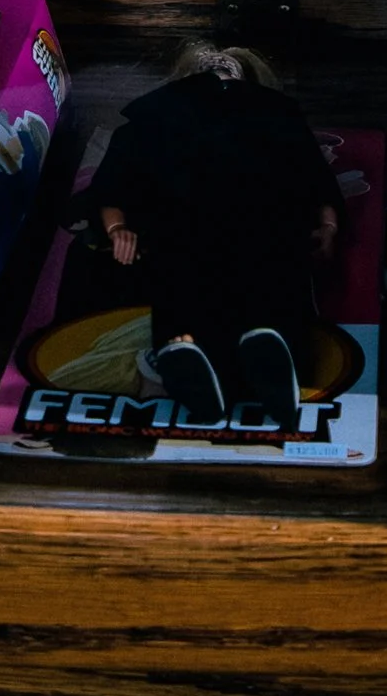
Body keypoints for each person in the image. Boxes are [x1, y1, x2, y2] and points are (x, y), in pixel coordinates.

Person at [90, 41, 343, 419]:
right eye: (209, 80)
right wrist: (118, 227)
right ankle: (196, 363)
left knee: (263, 299)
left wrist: (327, 225)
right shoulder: (161, 119)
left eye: (227, 79)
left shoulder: (273, 117)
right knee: (194, 298)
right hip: (192, 234)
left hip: (257, 231)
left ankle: (263, 358)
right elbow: (114, 184)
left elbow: (314, 178)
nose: (219, 88)